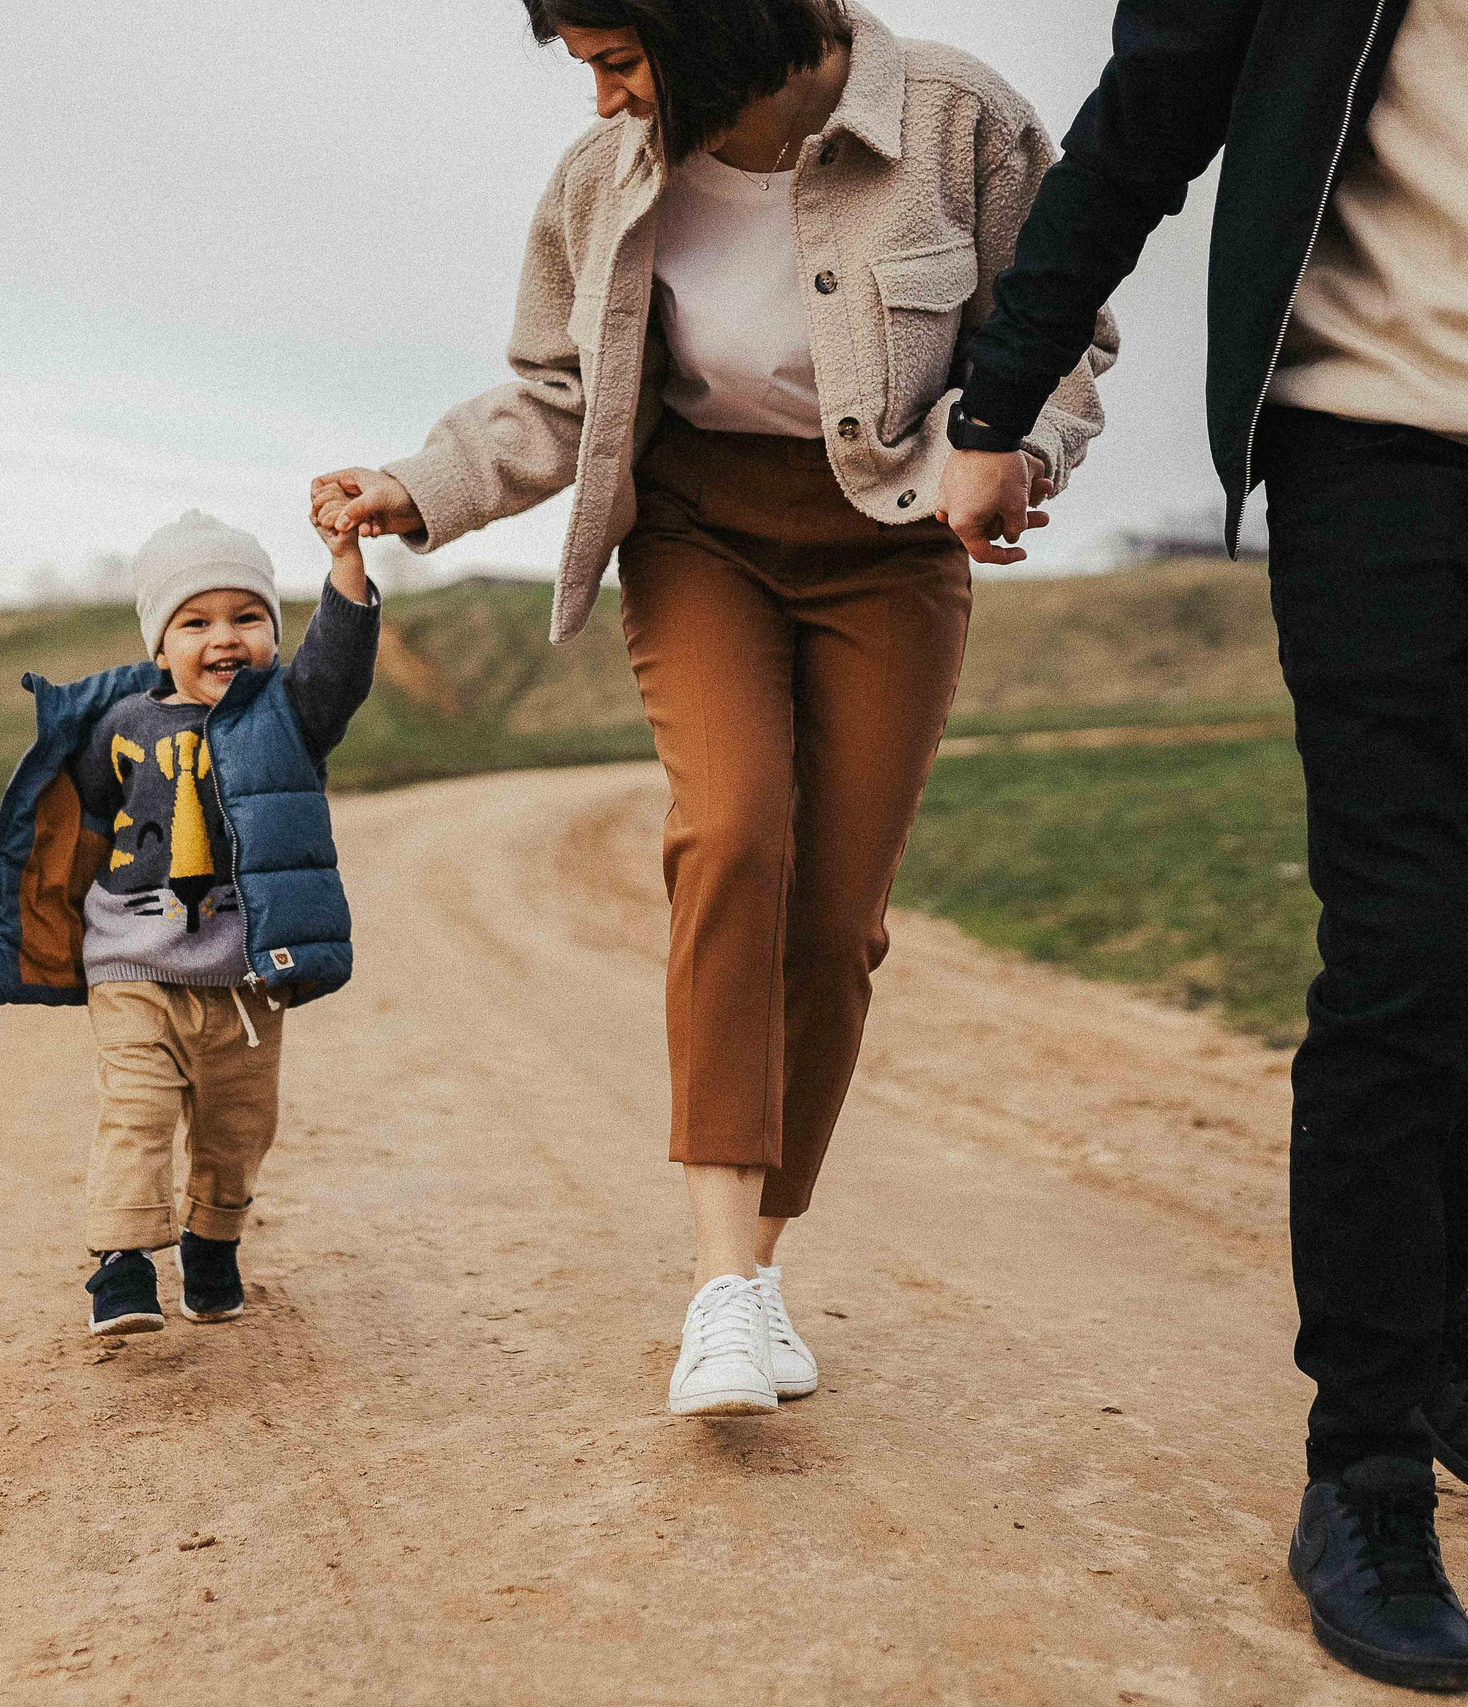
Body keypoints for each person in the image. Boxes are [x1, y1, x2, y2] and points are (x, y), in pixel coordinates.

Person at [938, 0, 1468, 1691]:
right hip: (1378, 463)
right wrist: (997, 399)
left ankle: (1419, 1304)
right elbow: (1145, 123)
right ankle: (1363, 1468)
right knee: (1398, 966)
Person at [312, 0, 1113, 1418]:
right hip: (702, 536)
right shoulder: (600, 181)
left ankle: (761, 1265)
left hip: (894, 541)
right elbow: (558, 395)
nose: (609, 101)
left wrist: (1018, 451)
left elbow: (1063, 335)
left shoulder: (957, 123)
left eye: (623, 62)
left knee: (836, 920)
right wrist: (419, 484)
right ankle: (721, 1291)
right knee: (736, 833)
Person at [0, 509, 379, 1335]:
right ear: (160, 646)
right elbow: (75, 830)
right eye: (196, 621)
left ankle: (211, 1242)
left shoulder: (290, 718)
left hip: (244, 978)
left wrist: (344, 558)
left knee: (240, 1129)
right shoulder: (118, 726)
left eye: (248, 617)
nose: (224, 637)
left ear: (273, 629)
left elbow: (339, 665)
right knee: (138, 1111)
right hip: (135, 965)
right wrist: (53, 930)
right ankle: (121, 1265)